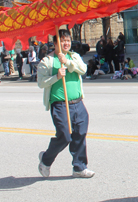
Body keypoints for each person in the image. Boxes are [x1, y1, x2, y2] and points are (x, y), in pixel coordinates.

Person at [37, 29, 95, 178]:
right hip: (60, 104)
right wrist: (56, 76)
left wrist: (67, 62)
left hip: (78, 103)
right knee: (64, 136)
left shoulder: (74, 56)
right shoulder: (47, 61)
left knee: (80, 133)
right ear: (55, 43)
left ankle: (79, 167)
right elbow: (41, 83)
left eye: (68, 40)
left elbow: (83, 69)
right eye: (63, 40)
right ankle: (45, 160)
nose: (66, 43)